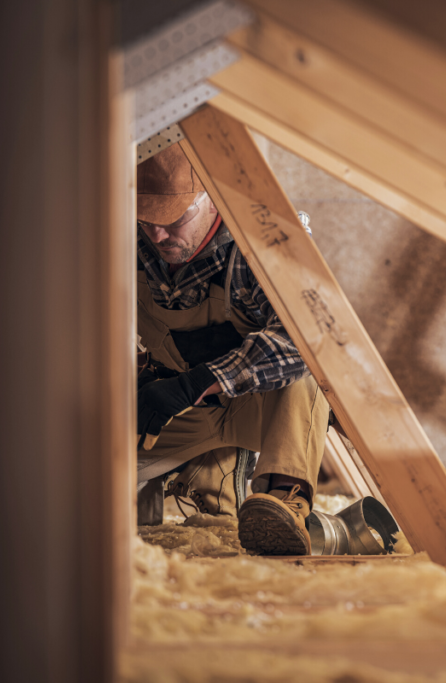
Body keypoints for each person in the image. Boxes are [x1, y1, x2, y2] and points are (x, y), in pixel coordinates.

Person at [133, 143, 328, 555]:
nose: (157, 235)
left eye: (173, 220)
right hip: (178, 408)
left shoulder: (264, 238)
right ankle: (214, 472)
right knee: (75, 477)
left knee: (306, 366)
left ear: (210, 199)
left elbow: (307, 335)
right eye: (147, 220)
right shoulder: (130, 242)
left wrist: (198, 382)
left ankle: (281, 499)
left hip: (261, 408)